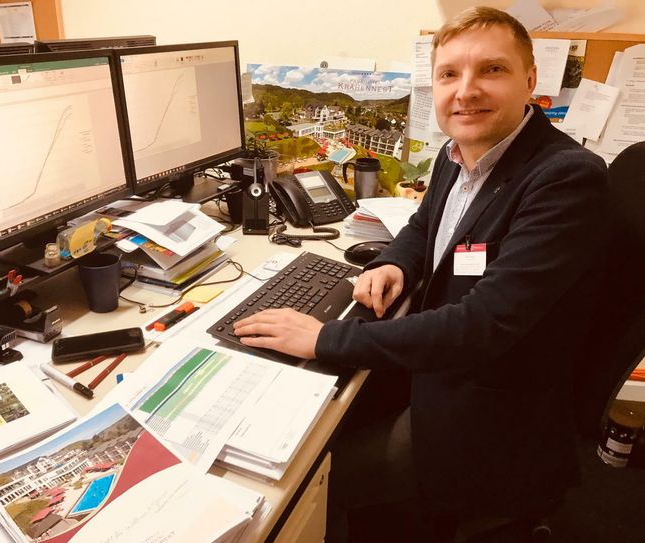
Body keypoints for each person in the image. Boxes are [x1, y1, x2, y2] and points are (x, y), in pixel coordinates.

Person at [234, 6, 608, 541]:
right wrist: (394, 261)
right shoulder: (459, 153)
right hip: (437, 365)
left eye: (492, 70)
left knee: (307, 480)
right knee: (294, 419)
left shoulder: (565, 178)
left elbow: (483, 325)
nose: (466, 91)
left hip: (488, 405)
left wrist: (325, 338)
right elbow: (424, 223)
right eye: (449, 74)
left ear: (530, 81)